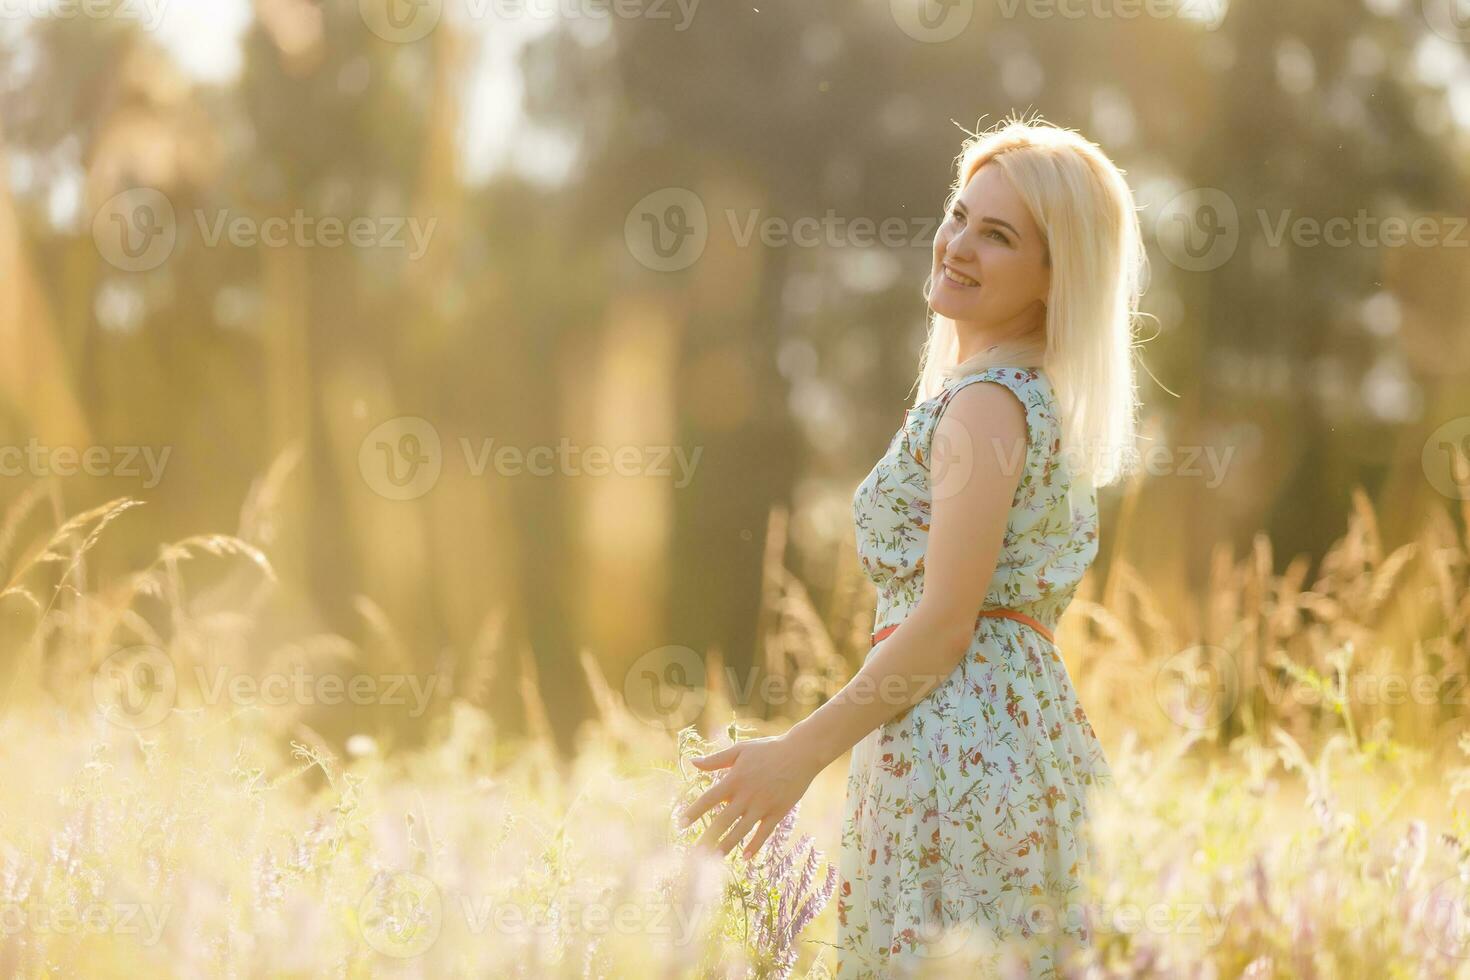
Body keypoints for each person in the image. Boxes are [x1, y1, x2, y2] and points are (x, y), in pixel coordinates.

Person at [678, 113, 1147, 978]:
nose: (958, 245)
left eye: (998, 235)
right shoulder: (1022, 398)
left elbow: (940, 629)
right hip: (1018, 748)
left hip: (955, 766)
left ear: (1055, 276)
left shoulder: (985, 405)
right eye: (960, 215)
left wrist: (798, 755)